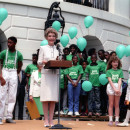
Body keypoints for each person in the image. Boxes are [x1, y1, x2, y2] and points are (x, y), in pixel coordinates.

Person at [38, 28, 59, 127]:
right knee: (46, 98)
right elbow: (38, 62)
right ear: (46, 37)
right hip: (46, 74)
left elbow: (58, 61)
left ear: (55, 38)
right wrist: (43, 62)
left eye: (53, 36)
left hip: (54, 75)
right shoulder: (43, 48)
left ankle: (51, 120)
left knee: (53, 98)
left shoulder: (57, 49)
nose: (52, 38)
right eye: (50, 36)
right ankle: (45, 120)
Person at [0, 36, 23, 125]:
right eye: (8, 42)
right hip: (4, 72)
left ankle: (9, 116)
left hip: (13, 72)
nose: (9, 44)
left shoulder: (19, 54)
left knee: (12, 95)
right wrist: (1, 76)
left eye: (10, 43)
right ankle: (0, 117)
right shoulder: (3, 53)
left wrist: (15, 74)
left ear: (15, 43)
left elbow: (20, 65)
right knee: (2, 95)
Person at [106, 56, 124, 126]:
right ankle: (110, 120)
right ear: (111, 63)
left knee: (117, 104)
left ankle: (117, 120)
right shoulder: (109, 71)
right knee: (111, 104)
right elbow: (110, 80)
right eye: (114, 62)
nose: (115, 63)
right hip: (111, 87)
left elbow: (120, 80)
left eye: (116, 62)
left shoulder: (120, 71)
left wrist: (118, 89)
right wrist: (114, 89)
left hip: (118, 87)